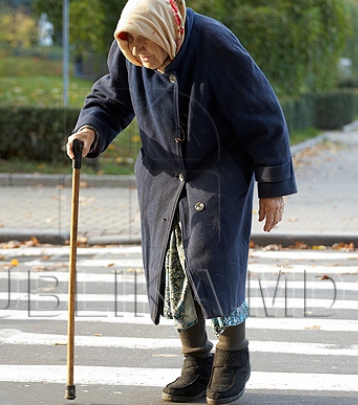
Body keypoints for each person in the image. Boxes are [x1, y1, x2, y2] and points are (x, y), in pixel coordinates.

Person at [65, 0, 297, 403]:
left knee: (212, 263)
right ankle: (196, 359)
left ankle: (232, 355)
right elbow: (111, 99)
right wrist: (89, 130)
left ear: (166, 30)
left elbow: (262, 113)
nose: (138, 54)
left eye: (144, 44)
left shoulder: (214, 44)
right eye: (130, 46)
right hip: (161, 174)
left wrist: (273, 184)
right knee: (171, 269)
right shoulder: (130, 51)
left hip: (217, 170)